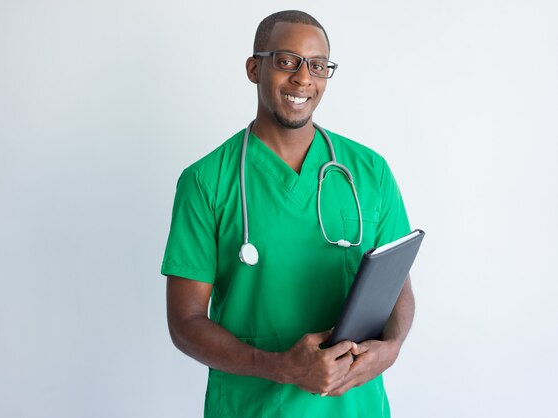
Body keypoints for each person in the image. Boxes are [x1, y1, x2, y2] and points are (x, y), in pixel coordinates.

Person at [161, 10, 415, 417]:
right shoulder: (206, 182)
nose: (303, 78)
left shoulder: (370, 172)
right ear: (253, 68)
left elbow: (396, 282)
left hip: (356, 406)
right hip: (253, 407)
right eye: (286, 61)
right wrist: (281, 368)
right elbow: (186, 323)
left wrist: (393, 346)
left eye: (318, 66)